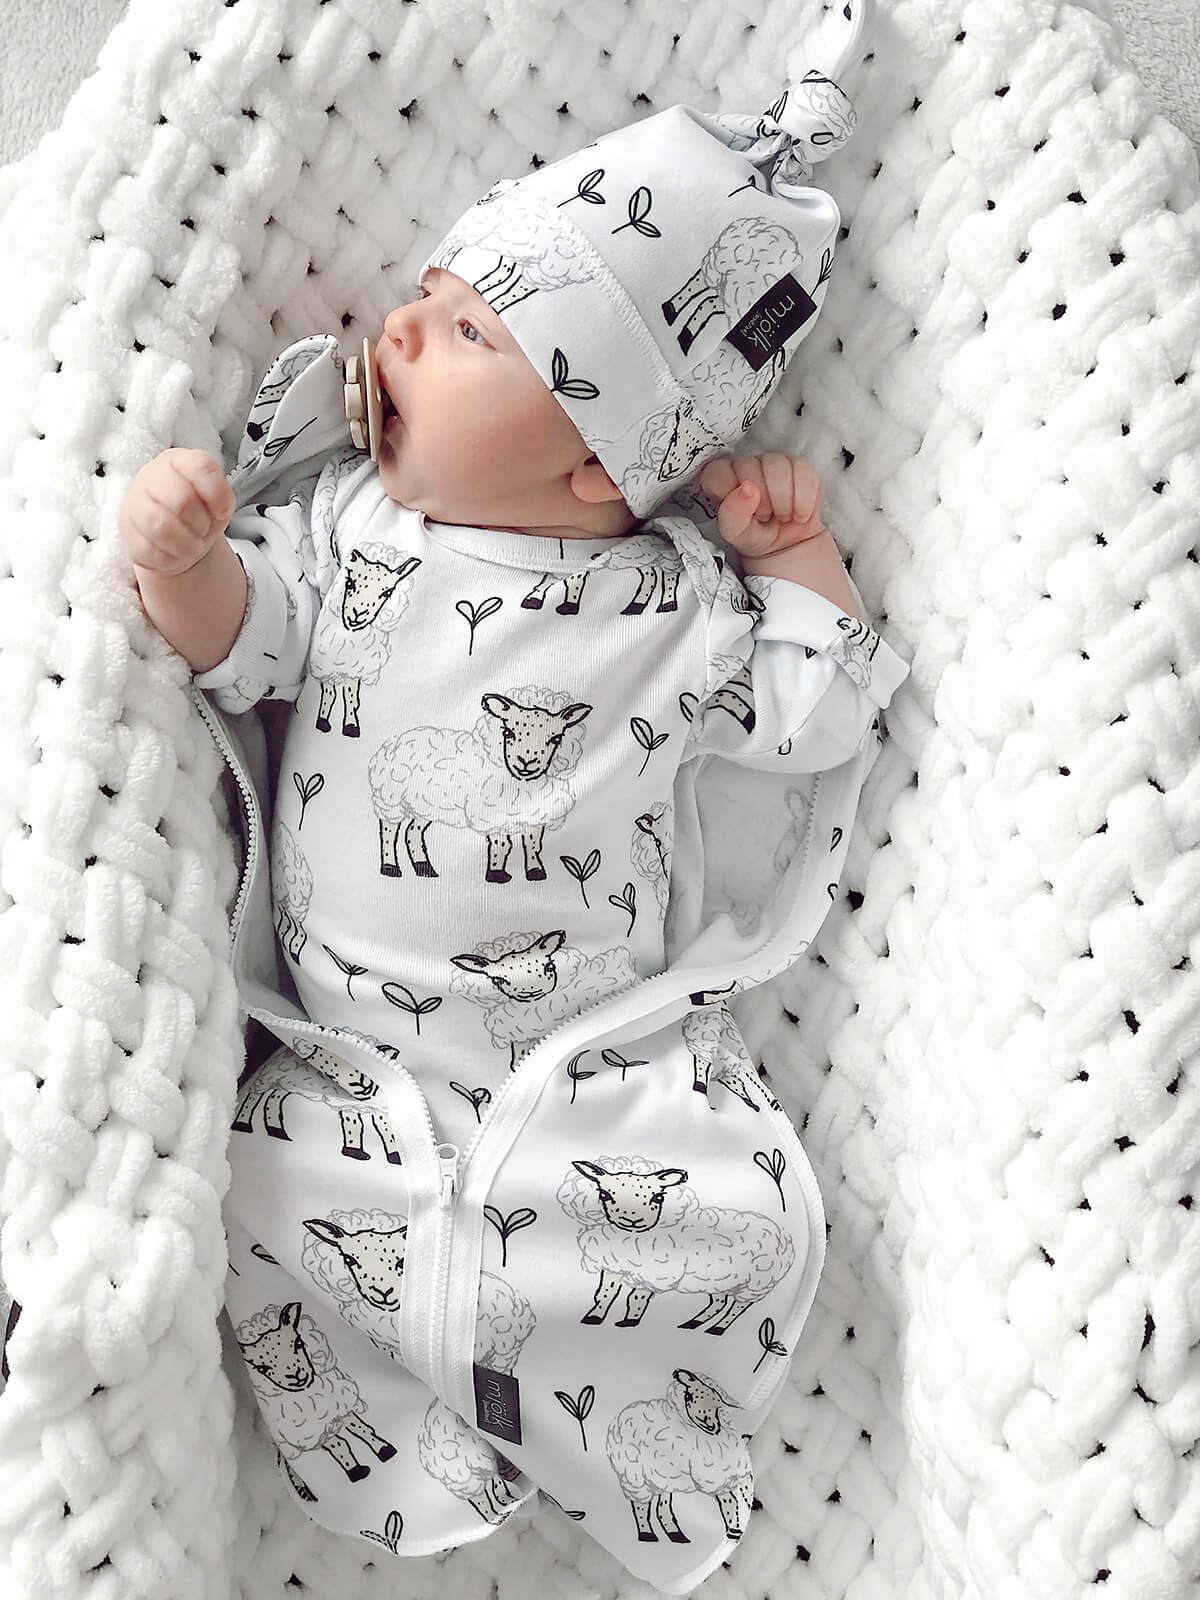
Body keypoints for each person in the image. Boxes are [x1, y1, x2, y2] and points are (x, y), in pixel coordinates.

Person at [112, 3, 909, 1585]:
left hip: (586, 1059)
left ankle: (630, 1440)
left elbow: (815, 717)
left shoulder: (675, 605)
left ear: (598, 463)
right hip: (344, 1059)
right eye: (425, 300)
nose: (400, 334)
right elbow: (246, 654)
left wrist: (797, 560)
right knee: (265, 1194)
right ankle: (402, 1436)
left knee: (710, 1213)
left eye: (468, 333)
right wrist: (190, 566)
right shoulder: (347, 532)